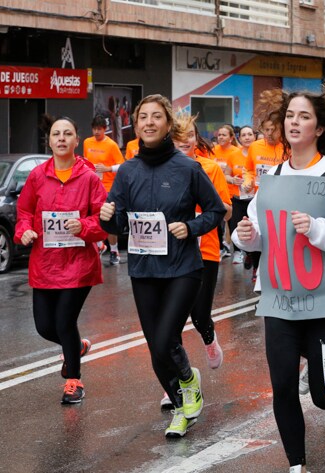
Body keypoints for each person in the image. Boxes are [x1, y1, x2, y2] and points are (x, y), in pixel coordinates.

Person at [234, 89, 325, 473]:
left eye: (304, 116)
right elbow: (260, 231)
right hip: (280, 295)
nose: (294, 122)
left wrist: (317, 228)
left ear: (319, 127)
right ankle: (297, 465)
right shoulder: (273, 177)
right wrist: (246, 235)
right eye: (290, 116)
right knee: (282, 384)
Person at [99, 94, 226, 437]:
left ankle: (187, 384)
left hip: (183, 267)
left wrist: (192, 227)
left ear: (168, 124)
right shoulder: (127, 172)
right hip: (144, 270)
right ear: (136, 124)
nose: (149, 122)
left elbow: (216, 211)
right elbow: (118, 224)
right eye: (143, 117)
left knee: (166, 338)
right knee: (156, 349)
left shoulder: (188, 168)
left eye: (157, 117)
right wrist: (107, 219)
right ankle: (184, 402)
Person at [15, 116, 108, 404]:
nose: (61, 138)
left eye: (68, 133)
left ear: (76, 140)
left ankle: (73, 381)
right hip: (45, 262)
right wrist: (25, 232)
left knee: (64, 321)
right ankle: (76, 347)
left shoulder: (89, 178)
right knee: (45, 326)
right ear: (50, 140)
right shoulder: (37, 176)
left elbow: (103, 221)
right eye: (57, 134)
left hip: (79, 263)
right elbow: (24, 212)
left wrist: (85, 227)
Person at [171, 113, 232, 375]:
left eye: (190, 135)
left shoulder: (210, 168)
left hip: (204, 250)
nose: (184, 140)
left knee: (199, 315)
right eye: (178, 136)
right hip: (171, 251)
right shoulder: (162, 170)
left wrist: (207, 201)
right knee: (171, 320)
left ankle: (209, 339)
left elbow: (227, 212)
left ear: (197, 139)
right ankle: (176, 378)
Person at [246, 115, 286, 283]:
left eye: (273, 130)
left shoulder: (286, 147)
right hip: (259, 198)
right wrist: (248, 181)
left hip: (280, 199)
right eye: (266, 130)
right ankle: (256, 265)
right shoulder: (255, 147)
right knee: (256, 232)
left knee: (274, 237)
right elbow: (249, 169)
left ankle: (276, 269)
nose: (269, 134)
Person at [83, 114, 125, 265]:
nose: (96, 132)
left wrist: (107, 168)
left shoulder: (112, 145)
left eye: (99, 129)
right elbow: (84, 161)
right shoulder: (87, 142)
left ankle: (114, 250)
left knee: (108, 219)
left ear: (105, 129)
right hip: (91, 186)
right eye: (94, 129)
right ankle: (100, 245)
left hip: (108, 187)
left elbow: (122, 166)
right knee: (92, 218)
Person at [227, 125, 256, 265]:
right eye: (244, 135)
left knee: (254, 226)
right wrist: (233, 179)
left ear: (254, 136)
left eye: (249, 134)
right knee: (235, 225)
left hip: (256, 198)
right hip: (238, 198)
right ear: (239, 138)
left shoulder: (258, 154)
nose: (247, 137)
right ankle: (238, 252)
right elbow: (225, 174)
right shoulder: (233, 155)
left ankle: (252, 254)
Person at [213, 124, 241, 259]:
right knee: (217, 222)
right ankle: (221, 248)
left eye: (224, 135)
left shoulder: (236, 151)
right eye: (219, 135)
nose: (221, 137)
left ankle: (238, 251)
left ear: (231, 138)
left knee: (233, 222)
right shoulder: (213, 150)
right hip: (216, 192)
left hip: (232, 193)